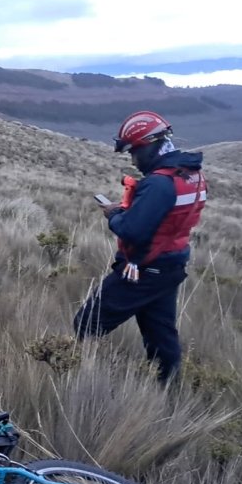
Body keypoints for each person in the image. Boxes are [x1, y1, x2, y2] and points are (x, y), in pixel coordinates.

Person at [74, 110, 207, 384]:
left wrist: (114, 214)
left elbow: (132, 230)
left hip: (143, 270)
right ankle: (168, 394)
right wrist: (131, 210)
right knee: (161, 340)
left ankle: (83, 384)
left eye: (135, 151)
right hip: (170, 266)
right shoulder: (191, 176)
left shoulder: (159, 183)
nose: (133, 159)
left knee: (86, 324)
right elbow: (163, 220)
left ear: (150, 145)